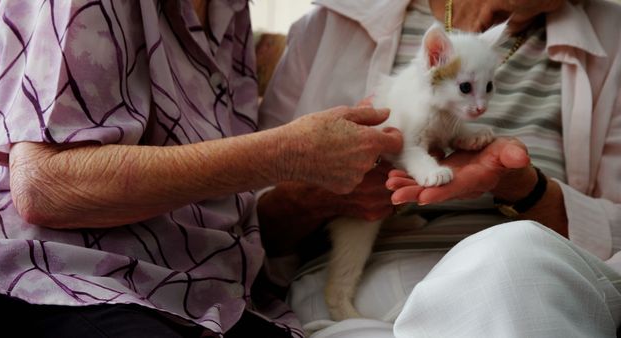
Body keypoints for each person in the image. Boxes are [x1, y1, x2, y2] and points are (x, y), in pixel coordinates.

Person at [0, 1, 404, 337]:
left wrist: (316, 195)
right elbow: (43, 186)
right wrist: (287, 152)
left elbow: (219, 204)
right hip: (61, 276)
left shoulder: (229, 10)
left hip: (203, 291)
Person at [258, 0, 621, 336]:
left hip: (516, 281)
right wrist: (328, 190)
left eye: (490, 89)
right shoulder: (336, 17)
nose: (481, 105)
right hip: (371, 283)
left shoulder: (612, 34)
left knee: (512, 260)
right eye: (467, 90)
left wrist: (525, 188)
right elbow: (247, 218)